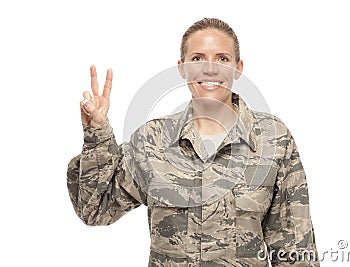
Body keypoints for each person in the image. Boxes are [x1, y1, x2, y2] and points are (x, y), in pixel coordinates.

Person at [67, 18, 320, 266]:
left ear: (238, 68)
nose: (210, 69)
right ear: (182, 67)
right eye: (198, 58)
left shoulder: (273, 138)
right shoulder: (152, 140)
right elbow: (95, 209)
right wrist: (97, 132)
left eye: (222, 59)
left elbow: (294, 249)